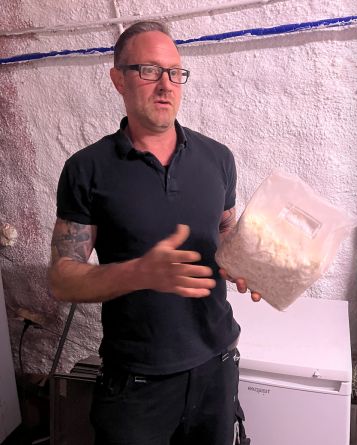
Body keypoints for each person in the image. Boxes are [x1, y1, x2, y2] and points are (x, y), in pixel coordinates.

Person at [48, 21, 257, 445]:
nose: (166, 85)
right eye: (148, 70)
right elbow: (61, 277)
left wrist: (248, 262)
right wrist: (141, 272)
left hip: (216, 366)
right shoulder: (87, 169)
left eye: (175, 72)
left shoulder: (218, 158)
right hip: (136, 384)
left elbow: (225, 228)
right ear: (118, 80)